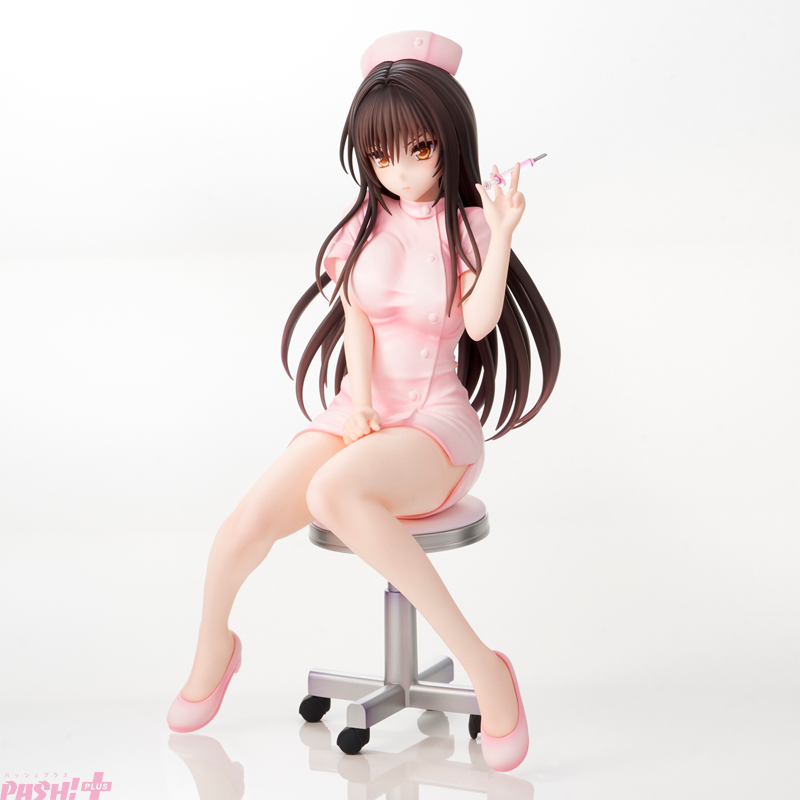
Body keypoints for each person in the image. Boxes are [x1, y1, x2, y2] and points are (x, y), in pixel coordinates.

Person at [167, 30, 560, 773]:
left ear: (449, 140)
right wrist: (355, 409)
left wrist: (503, 235)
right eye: (381, 156)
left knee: (332, 490)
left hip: (436, 427)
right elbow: (357, 323)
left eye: (419, 150)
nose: (400, 171)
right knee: (246, 523)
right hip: (363, 413)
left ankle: (485, 666)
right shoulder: (362, 227)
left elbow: (479, 323)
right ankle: (215, 647)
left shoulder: (472, 225)